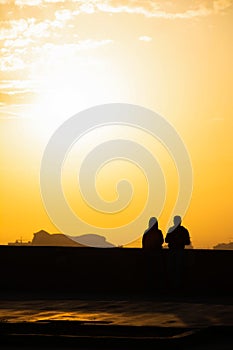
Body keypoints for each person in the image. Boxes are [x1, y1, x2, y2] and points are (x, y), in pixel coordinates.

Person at [165, 215, 191, 289]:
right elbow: (187, 242)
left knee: (172, 269)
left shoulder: (171, 229)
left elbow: (166, 240)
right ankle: (177, 286)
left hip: (172, 251)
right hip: (180, 252)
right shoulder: (184, 230)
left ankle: (172, 286)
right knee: (178, 270)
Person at [142, 217, 164, 291]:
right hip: (157, 254)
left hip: (149, 254)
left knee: (149, 271)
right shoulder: (158, 232)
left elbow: (143, 243)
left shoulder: (147, 232)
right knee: (156, 272)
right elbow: (162, 241)